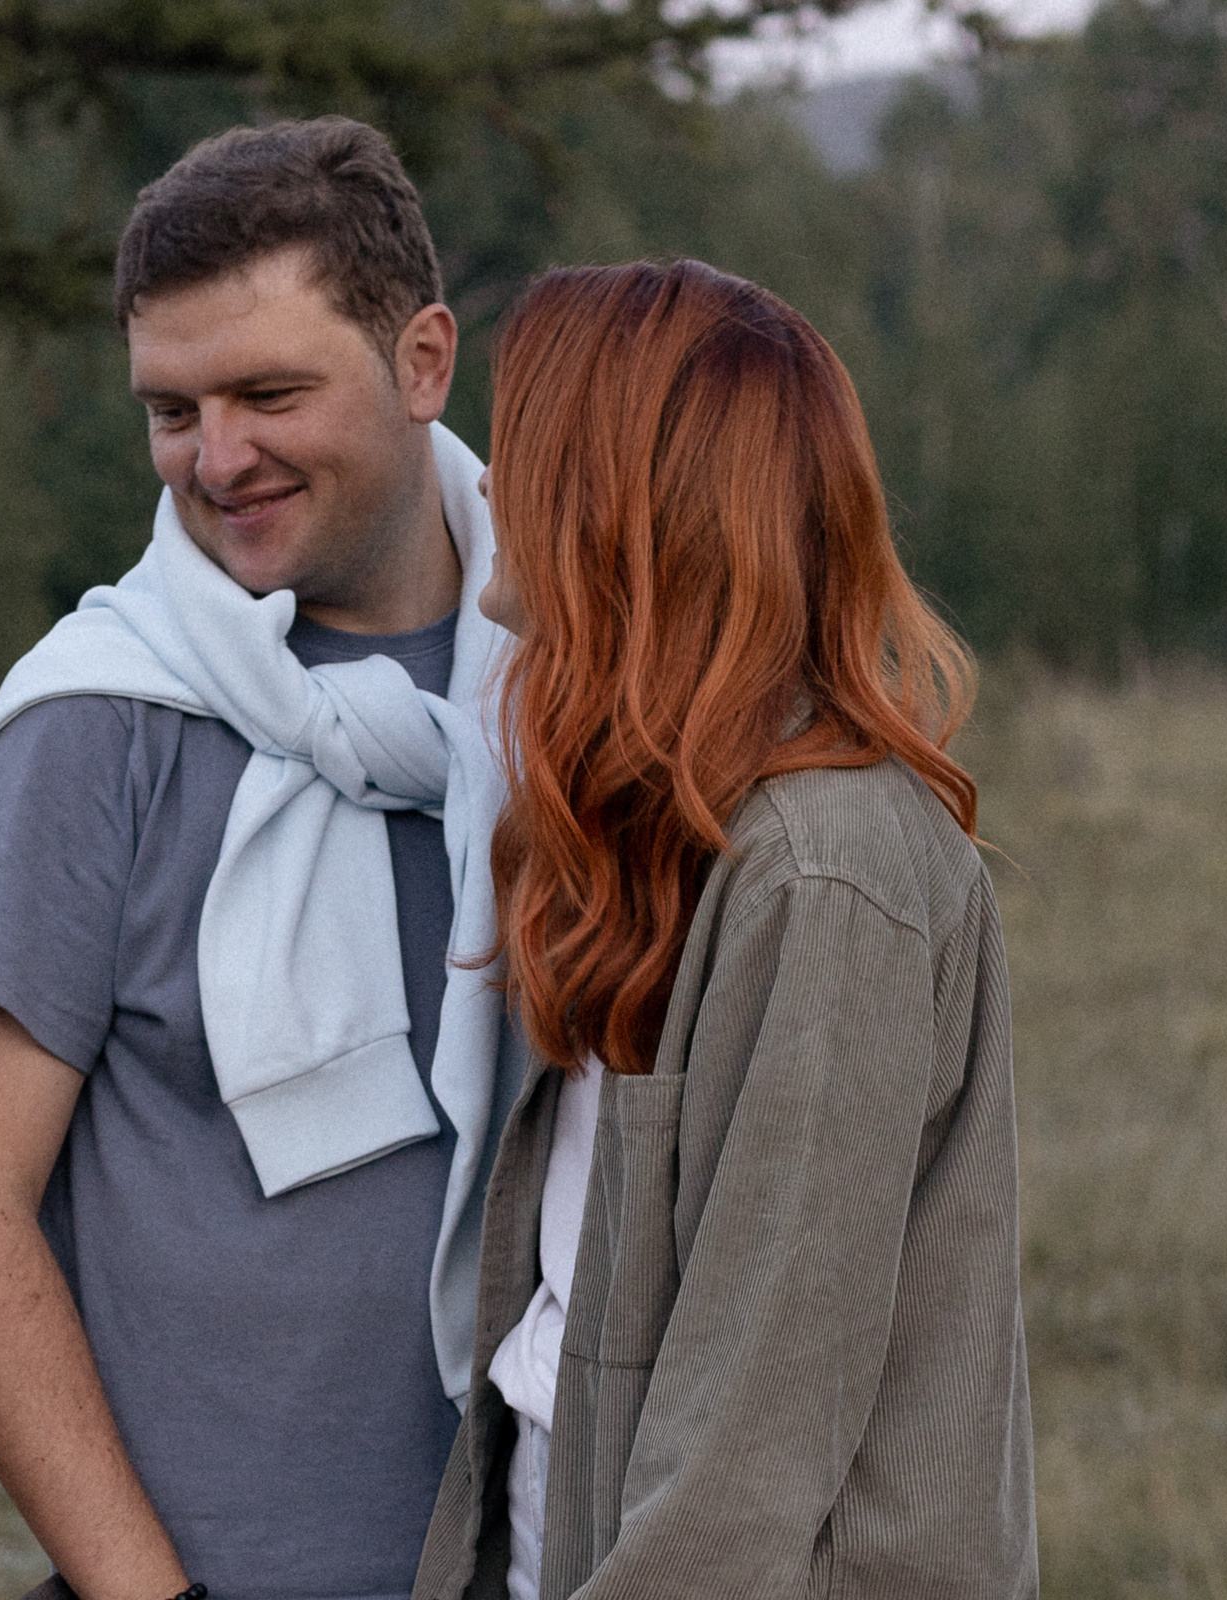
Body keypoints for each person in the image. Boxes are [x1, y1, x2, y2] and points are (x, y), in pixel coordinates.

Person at [0, 118, 520, 1600]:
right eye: (172, 410)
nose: (217, 459)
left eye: (268, 394)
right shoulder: (91, 728)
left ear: (424, 361)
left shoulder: (565, 688)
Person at [412, 260, 1037, 1600]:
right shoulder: (659, 836)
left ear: (618, 500)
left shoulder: (823, 876)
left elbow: (745, 1469)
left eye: (530, 444)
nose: (489, 482)